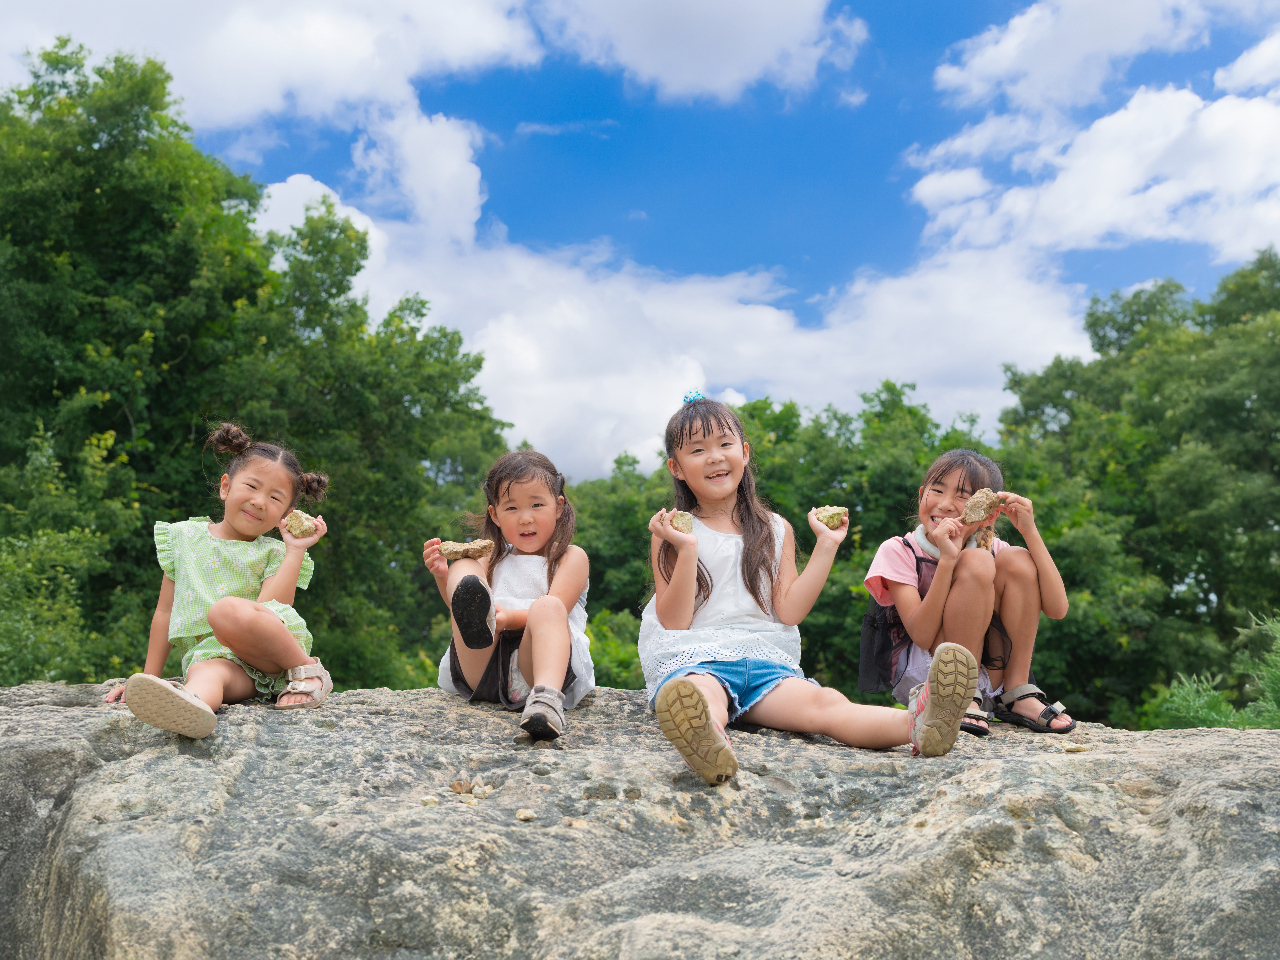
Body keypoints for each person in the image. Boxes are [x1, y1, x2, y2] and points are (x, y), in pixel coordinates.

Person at [639, 393, 977, 785]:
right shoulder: (671, 530)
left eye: (725, 444)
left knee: (825, 704)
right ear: (676, 468)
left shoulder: (774, 528)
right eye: (697, 450)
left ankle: (920, 722)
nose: (714, 457)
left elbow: (789, 611)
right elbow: (675, 621)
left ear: (745, 453)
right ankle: (707, 741)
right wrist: (687, 550)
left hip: (765, 662)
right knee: (700, 693)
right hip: (696, 658)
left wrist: (827, 545)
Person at [104, 424, 332, 738]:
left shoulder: (274, 552)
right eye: (252, 486)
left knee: (225, 611)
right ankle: (191, 708)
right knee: (204, 674)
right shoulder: (184, 537)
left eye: (275, 498)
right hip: (221, 662)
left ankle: (309, 671)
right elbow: (165, 612)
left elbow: (274, 610)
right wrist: (149, 679)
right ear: (226, 486)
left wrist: (294, 548)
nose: (259, 501)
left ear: (287, 514)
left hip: (269, 655)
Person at [863, 448, 1075, 735]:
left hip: (990, 675)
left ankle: (1017, 692)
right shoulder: (900, 550)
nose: (946, 504)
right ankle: (959, 693)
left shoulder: (993, 548)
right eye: (937, 490)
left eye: (963, 496)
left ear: (988, 514)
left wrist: (1030, 532)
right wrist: (949, 561)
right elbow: (922, 634)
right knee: (975, 561)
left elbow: (1057, 609)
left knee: (1018, 558)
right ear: (922, 493)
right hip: (930, 671)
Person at [423, 450, 594, 740]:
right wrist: (443, 574)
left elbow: (558, 611)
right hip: (485, 667)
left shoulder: (571, 558)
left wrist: (507, 618)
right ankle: (466, 587)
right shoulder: (490, 557)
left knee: (548, 607)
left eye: (537, 505)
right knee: (463, 565)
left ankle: (546, 704)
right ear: (495, 515)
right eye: (512, 508)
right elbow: (461, 613)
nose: (526, 518)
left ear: (559, 507)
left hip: (538, 668)